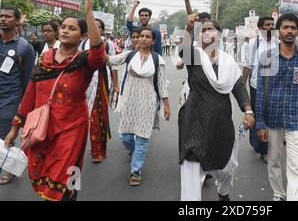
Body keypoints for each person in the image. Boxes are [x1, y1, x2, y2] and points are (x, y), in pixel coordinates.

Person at [4, 0, 107, 201]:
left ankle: (68, 195)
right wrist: (14, 130)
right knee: (43, 171)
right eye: (64, 27)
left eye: (72, 28)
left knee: (65, 173)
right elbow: (29, 97)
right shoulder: (44, 60)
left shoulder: (84, 61)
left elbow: (99, 53)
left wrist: (88, 13)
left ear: (83, 35)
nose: (65, 31)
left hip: (72, 127)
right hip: (42, 127)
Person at [178, 14, 255, 201]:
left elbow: (238, 87)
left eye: (210, 29)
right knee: (191, 163)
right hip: (194, 119)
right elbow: (184, 50)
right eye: (202, 30)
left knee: (227, 166)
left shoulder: (229, 62)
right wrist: (188, 27)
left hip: (220, 120)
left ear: (219, 35)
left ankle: (223, 191)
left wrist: (248, 111)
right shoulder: (195, 57)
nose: (205, 32)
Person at [256, 13, 298, 201]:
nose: (289, 31)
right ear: (278, 31)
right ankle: (278, 193)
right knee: (273, 161)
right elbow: (260, 93)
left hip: (297, 119)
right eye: (285, 27)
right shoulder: (267, 58)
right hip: (272, 119)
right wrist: (260, 123)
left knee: (296, 165)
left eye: (293, 27)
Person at [107, 27, 170, 186]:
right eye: (141, 36)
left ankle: (136, 171)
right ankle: (135, 151)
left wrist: (166, 106)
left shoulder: (158, 60)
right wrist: (97, 45)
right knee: (125, 137)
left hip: (148, 103)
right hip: (129, 102)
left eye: (148, 36)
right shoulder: (130, 55)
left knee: (142, 139)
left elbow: (162, 85)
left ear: (153, 41)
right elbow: (110, 60)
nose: (143, 39)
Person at [0, 6, 35, 185]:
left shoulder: (24, 47)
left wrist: (23, 106)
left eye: (7, 16)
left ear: (17, 21)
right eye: (1, 16)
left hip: (10, 98)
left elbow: (29, 78)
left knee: (6, 135)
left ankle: (10, 169)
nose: (3, 19)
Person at [81, 18, 117, 163]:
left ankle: (98, 150)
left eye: (97, 27)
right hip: (84, 83)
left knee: (97, 116)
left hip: (101, 81)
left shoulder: (108, 44)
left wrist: (116, 84)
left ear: (101, 30)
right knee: (83, 116)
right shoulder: (83, 43)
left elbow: (113, 64)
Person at [243, 16, 276, 164]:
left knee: (271, 116)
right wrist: (242, 85)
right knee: (258, 115)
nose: (270, 27)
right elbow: (248, 64)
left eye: (272, 24)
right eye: (267, 25)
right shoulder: (253, 43)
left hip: (275, 85)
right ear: (261, 27)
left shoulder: (279, 42)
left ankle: (267, 147)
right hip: (257, 85)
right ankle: (261, 148)